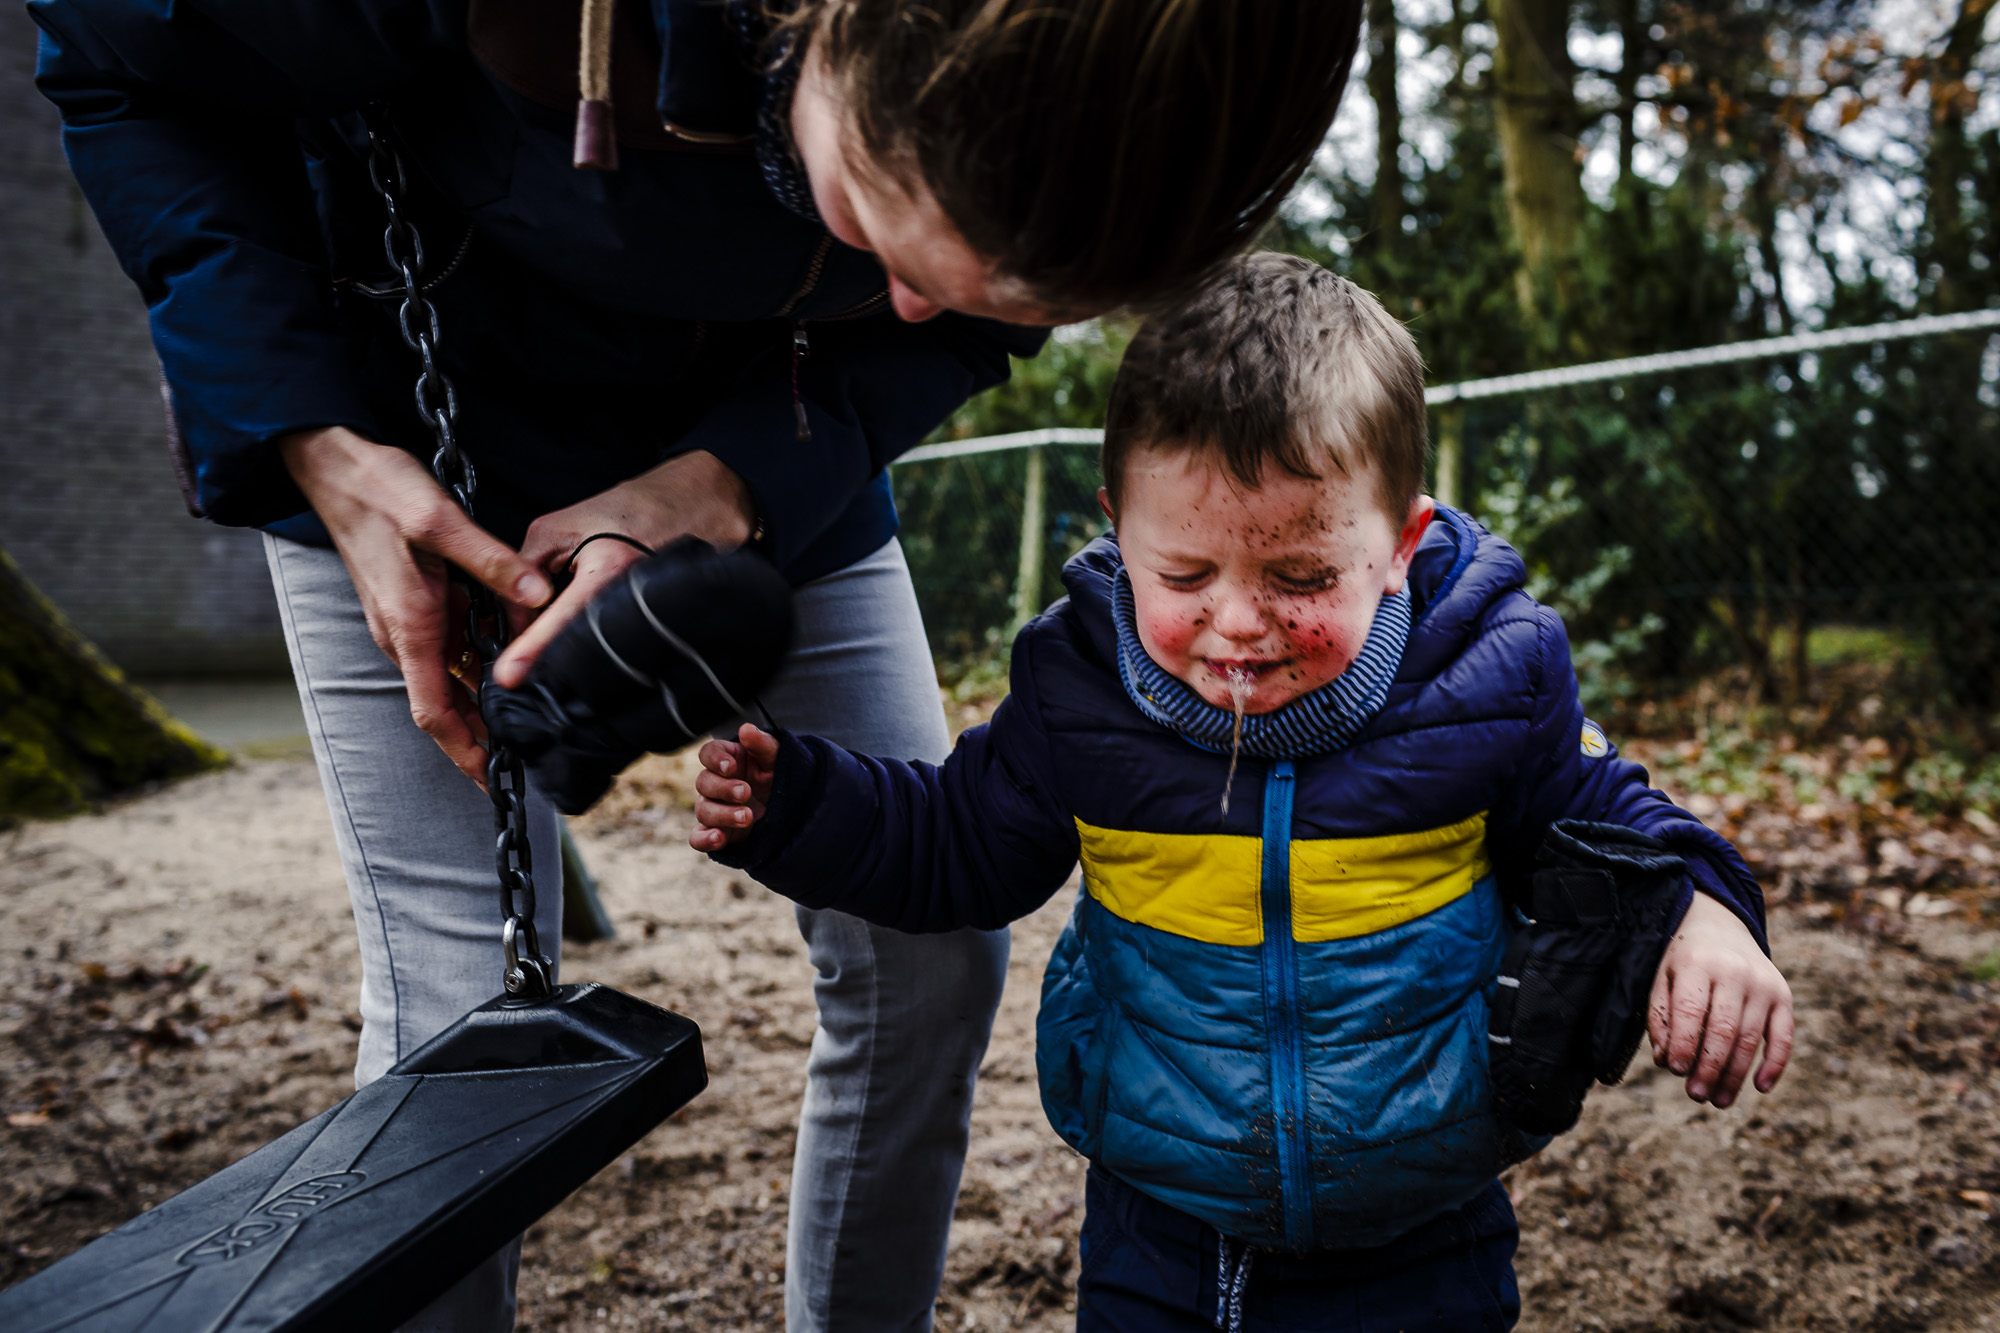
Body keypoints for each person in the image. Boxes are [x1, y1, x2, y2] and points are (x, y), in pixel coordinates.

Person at [30, 1, 1371, 1328]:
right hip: (406, 440)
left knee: (931, 944)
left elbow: (958, 315)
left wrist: (734, 476)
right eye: (894, 221)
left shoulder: (1070, 170)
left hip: (778, 428)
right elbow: (110, 55)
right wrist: (306, 435)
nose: (904, 301)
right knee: (458, 1013)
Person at [690, 254, 1797, 1332]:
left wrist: (1703, 913)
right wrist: (799, 807)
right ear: (1117, 528)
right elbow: (955, 844)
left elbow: (1613, 822)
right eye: (1182, 576)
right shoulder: (1079, 688)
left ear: (1400, 544)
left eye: (1301, 577)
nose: (1236, 621)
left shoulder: (1483, 677)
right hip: (1157, 1218)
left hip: (1422, 1221)